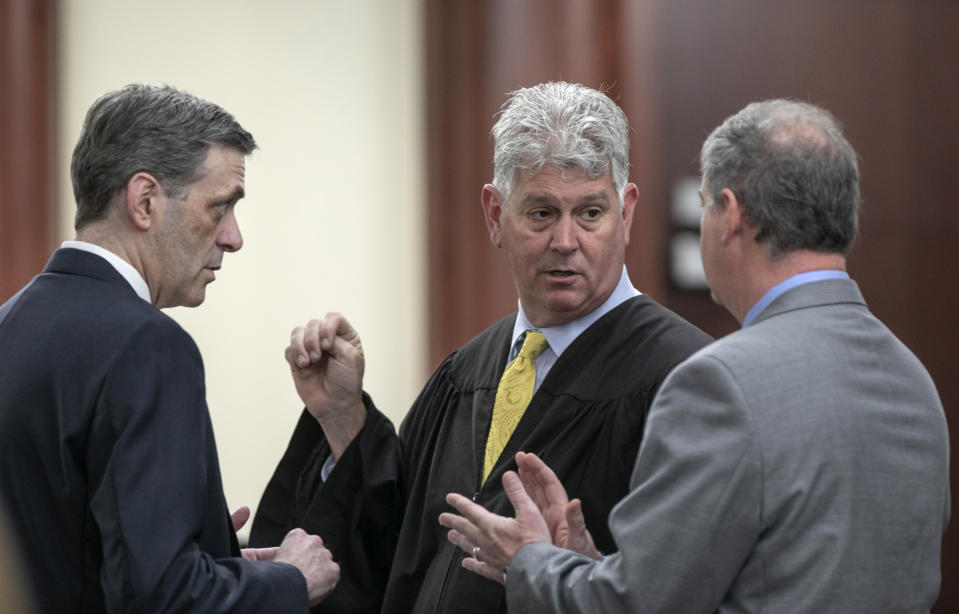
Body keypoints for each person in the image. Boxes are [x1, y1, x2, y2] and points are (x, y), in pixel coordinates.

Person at [439, 99, 951, 612]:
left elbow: (637, 606)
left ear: (728, 215)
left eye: (703, 204)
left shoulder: (722, 384)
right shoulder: (914, 383)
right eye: (543, 213)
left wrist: (527, 560)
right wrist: (590, 564)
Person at [249, 81, 712, 613]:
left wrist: (577, 568)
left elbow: (692, 584)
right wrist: (341, 418)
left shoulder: (684, 377)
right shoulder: (465, 373)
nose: (566, 241)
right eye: (541, 213)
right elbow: (393, 553)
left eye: (590, 213)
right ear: (495, 214)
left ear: (626, 213)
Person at [0, 84, 340, 612]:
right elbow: (160, 595)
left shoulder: (9, 324)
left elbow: (64, 545)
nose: (233, 237)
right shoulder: (147, 345)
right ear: (144, 201)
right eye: (220, 206)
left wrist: (208, 559)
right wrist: (289, 581)